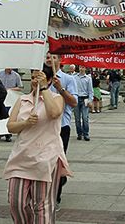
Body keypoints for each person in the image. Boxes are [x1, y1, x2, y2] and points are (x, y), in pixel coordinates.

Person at [4, 66, 72, 223]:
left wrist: (44, 89)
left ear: (48, 80)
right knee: (16, 203)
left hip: (46, 158)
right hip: (21, 157)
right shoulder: (22, 100)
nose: (35, 81)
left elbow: (54, 113)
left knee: (42, 205)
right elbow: (10, 126)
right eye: (33, 78)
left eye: (39, 78)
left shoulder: (56, 98)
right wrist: (26, 123)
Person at [45, 52, 78, 211]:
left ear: (60, 60)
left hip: (61, 128)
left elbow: (73, 102)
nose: (49, 59)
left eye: (53, 57)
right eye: (47, 56)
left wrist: (60, 89)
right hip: (43, 127)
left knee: (56, 164)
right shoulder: (41, 78)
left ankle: (55, 196)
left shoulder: (68, 79)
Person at [0, 68, 23, 142]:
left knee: (9, 115)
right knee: (0, 115)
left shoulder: (16, 76)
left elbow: (20, 87)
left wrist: (10, 89)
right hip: (1, 99)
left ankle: (8, 134)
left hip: (10, 99)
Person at [73, 65, 93, 141]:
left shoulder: (88, 78)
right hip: (77, 98)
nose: (81, 69)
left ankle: (86, 133)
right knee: (77, 118)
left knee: (85, 117)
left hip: (85, 98)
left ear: (85, 68)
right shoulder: (74, 77)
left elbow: (90, 91)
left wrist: (90, 100)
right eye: (80, 67)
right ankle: (79, 133)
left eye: (83, 67)